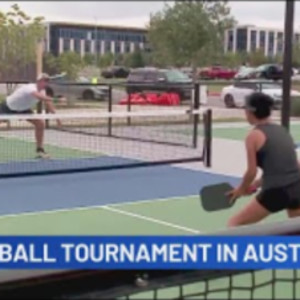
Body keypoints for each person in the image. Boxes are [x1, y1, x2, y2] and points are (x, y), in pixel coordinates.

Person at [227, 92, 300, 227]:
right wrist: (254, 185)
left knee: (234, 225)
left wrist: (241, 190)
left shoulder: (253, 136)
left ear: (250, 111)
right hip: (297, 188)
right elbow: (294, 166)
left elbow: (251, 171)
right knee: (296, 230)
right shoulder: (283, 130)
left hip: (276, 192)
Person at [0, 73, 65, 159]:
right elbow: (39, 97)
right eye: (44, 81)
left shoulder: (43, 91)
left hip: (24, 110)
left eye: (47, 81)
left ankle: (40, 150)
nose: (46, 83)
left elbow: (49, 104)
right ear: (39, 81)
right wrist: (57, 99)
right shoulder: (30, 88)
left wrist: (57, 119)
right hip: (8, 107)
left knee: (40, 124)